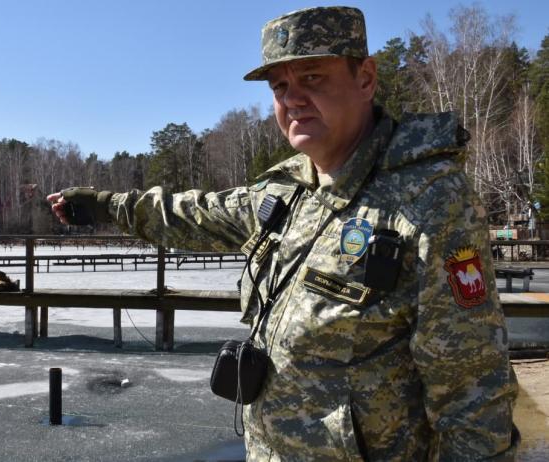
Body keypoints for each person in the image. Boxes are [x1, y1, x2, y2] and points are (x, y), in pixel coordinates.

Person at [47, 6, 519, 461]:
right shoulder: (290, 190)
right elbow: (195, 213)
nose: (292, 98)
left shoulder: (430, 201)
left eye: (312, 77)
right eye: (280, 85)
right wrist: (105, 206)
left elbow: (472, 389)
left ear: (366, 79)